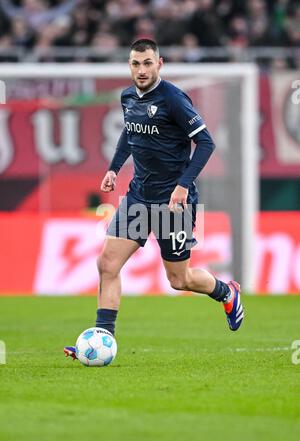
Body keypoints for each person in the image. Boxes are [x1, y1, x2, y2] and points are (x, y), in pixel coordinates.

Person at [64, 38, 244, 360]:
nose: (141, 70)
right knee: (107, 263)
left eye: (147, 63)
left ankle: (226, 292)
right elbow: (129, 133)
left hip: (172, 204)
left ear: (159, 64)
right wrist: (114, 169)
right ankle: (102, 338)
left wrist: (183, 186)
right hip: (138, 198)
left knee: (179, 279)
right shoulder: (127, 96)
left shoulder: (173, 98)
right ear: (129, 65)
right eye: (136, 63)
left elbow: (205, 143)